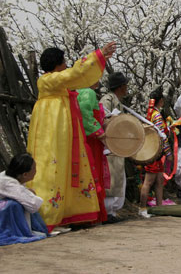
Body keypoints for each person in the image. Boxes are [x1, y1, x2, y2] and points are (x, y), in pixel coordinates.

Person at [27, 43, 115, 232]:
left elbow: (78, 78)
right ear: (57, 64)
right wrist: (97, 56)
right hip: (52, 128)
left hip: (63, 129)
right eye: (64, 61)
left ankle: (67, 213)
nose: (66, 64)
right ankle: (48, 215)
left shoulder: (57, 82)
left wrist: (100, 58)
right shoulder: (48, 80)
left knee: (64, 165)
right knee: (51, 164)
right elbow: (75, 74)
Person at [77, 82, 110, 223]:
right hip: (92, 140)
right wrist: (99, 132)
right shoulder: (87, 92)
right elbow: (85, 114)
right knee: (94, 173)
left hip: (85, 138)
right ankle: (94, 214)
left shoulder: (78, 91)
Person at [0, 153, 48, 245]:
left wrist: (27, 192)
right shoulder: (8, 183)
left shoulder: (12, 179)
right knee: (14, 205)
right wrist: (30, 194)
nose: (36, 171)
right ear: (25, 174)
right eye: (34, 168)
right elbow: (33, 204)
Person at [139, 86, 172, 218]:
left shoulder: (151, 113)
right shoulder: (156, 115)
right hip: (155, 152)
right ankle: (142, 208)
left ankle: (159, 207)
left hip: (154, 152)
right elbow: (161, 136)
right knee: (148, 181)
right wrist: (168, 153)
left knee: (159, 181)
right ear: (161, 101)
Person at [100, 72, 129, 222]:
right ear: (121, 86)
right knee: (112, 180)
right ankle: (107, 212)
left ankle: (113, 212)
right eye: (125, 85)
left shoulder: (117, 101)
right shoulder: (107, 100)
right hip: (109, 145)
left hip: (117, 145)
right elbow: (104, 119)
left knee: (118, 178)